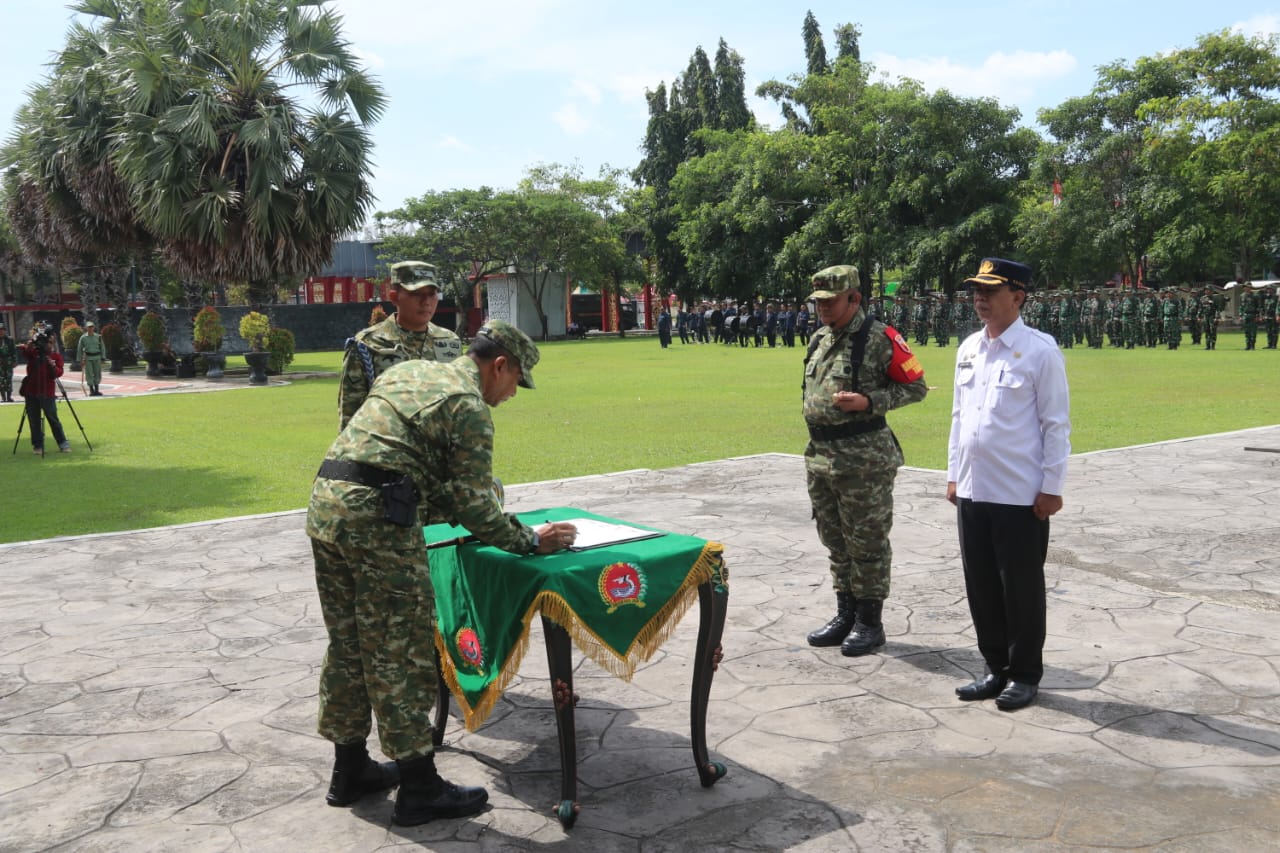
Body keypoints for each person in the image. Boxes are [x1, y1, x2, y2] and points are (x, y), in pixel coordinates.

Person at [308, 320, 580, 826]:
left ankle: (350, 770)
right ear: (499, 365)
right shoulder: (469, 405)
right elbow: (471, 504)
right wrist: (530, 540)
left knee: (348, 643)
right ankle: (419, 786)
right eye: (516, 380)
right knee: (400, 648)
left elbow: (405, 459)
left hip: (328, 506)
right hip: (377, 521)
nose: (511, 394)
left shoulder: (411, 372)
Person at [947, 258, 1071, 712]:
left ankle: (1024, 674)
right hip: (974, 489)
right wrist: (953, 475)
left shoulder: (1040, 351)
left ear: (1017, 297)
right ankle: (994, 667)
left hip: (1020, 494)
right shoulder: (968, 349)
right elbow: (960, 420)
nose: (979, 298)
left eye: (990, 290)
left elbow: (1055, 425)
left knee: (1019, 588)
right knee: (980, 585)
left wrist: (1052, 486)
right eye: (975, 291)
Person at [802, 265, 928, 656]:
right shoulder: (821, 337)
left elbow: (916, 387)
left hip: (864, 461)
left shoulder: (879, 338)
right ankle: (846, 613)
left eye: (831, 301)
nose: (822, 308)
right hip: (822, 457)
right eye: (818, 302)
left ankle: (870, 622)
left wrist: (871, 402)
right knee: (836, 541)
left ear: (854, 298)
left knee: (867, 544)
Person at [338, 260, 462, 430]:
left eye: (432, 294)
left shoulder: (450, 342)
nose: (426, 302)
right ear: (394, 297)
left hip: (437, 452)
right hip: (387, 451)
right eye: (417, 294)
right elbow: (350, 416)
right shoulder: (367, 345)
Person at [19, 325, 71, 455]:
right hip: (31, 392)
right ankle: (37, 446)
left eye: (50, 342)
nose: (48, 345)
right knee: (34, 421)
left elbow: (58, 373)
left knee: (53, 419)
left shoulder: (56, 356)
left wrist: (52, 365)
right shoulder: (34, 353)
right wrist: (30, 345)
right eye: (47, 342)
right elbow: (25, 353)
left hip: (47, 393)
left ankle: (63, 443)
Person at [76, 321, 105, 396]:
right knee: (89, 374)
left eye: (92, 327)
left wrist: (103, 357)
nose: (90, 328)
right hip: (88, 357)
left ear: (94, 327)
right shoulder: (83, 338)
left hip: (97, 357)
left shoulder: (98, 337)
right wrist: (80, 360)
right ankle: (91, 390)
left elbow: (102, 347)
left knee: (97, 373)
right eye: (89, 327)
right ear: (86, 328)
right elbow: (79, 348)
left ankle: (97, 390)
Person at [0, 324, 16, 403]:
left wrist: (15, 361)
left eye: (2, 330)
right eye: (0, 330)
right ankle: (3, 397)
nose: (1, 331)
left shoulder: (10, 339)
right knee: (1, 380)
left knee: (9, 379)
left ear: (5, 331)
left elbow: (14, 351)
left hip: (8, 362)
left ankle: (9, 397)